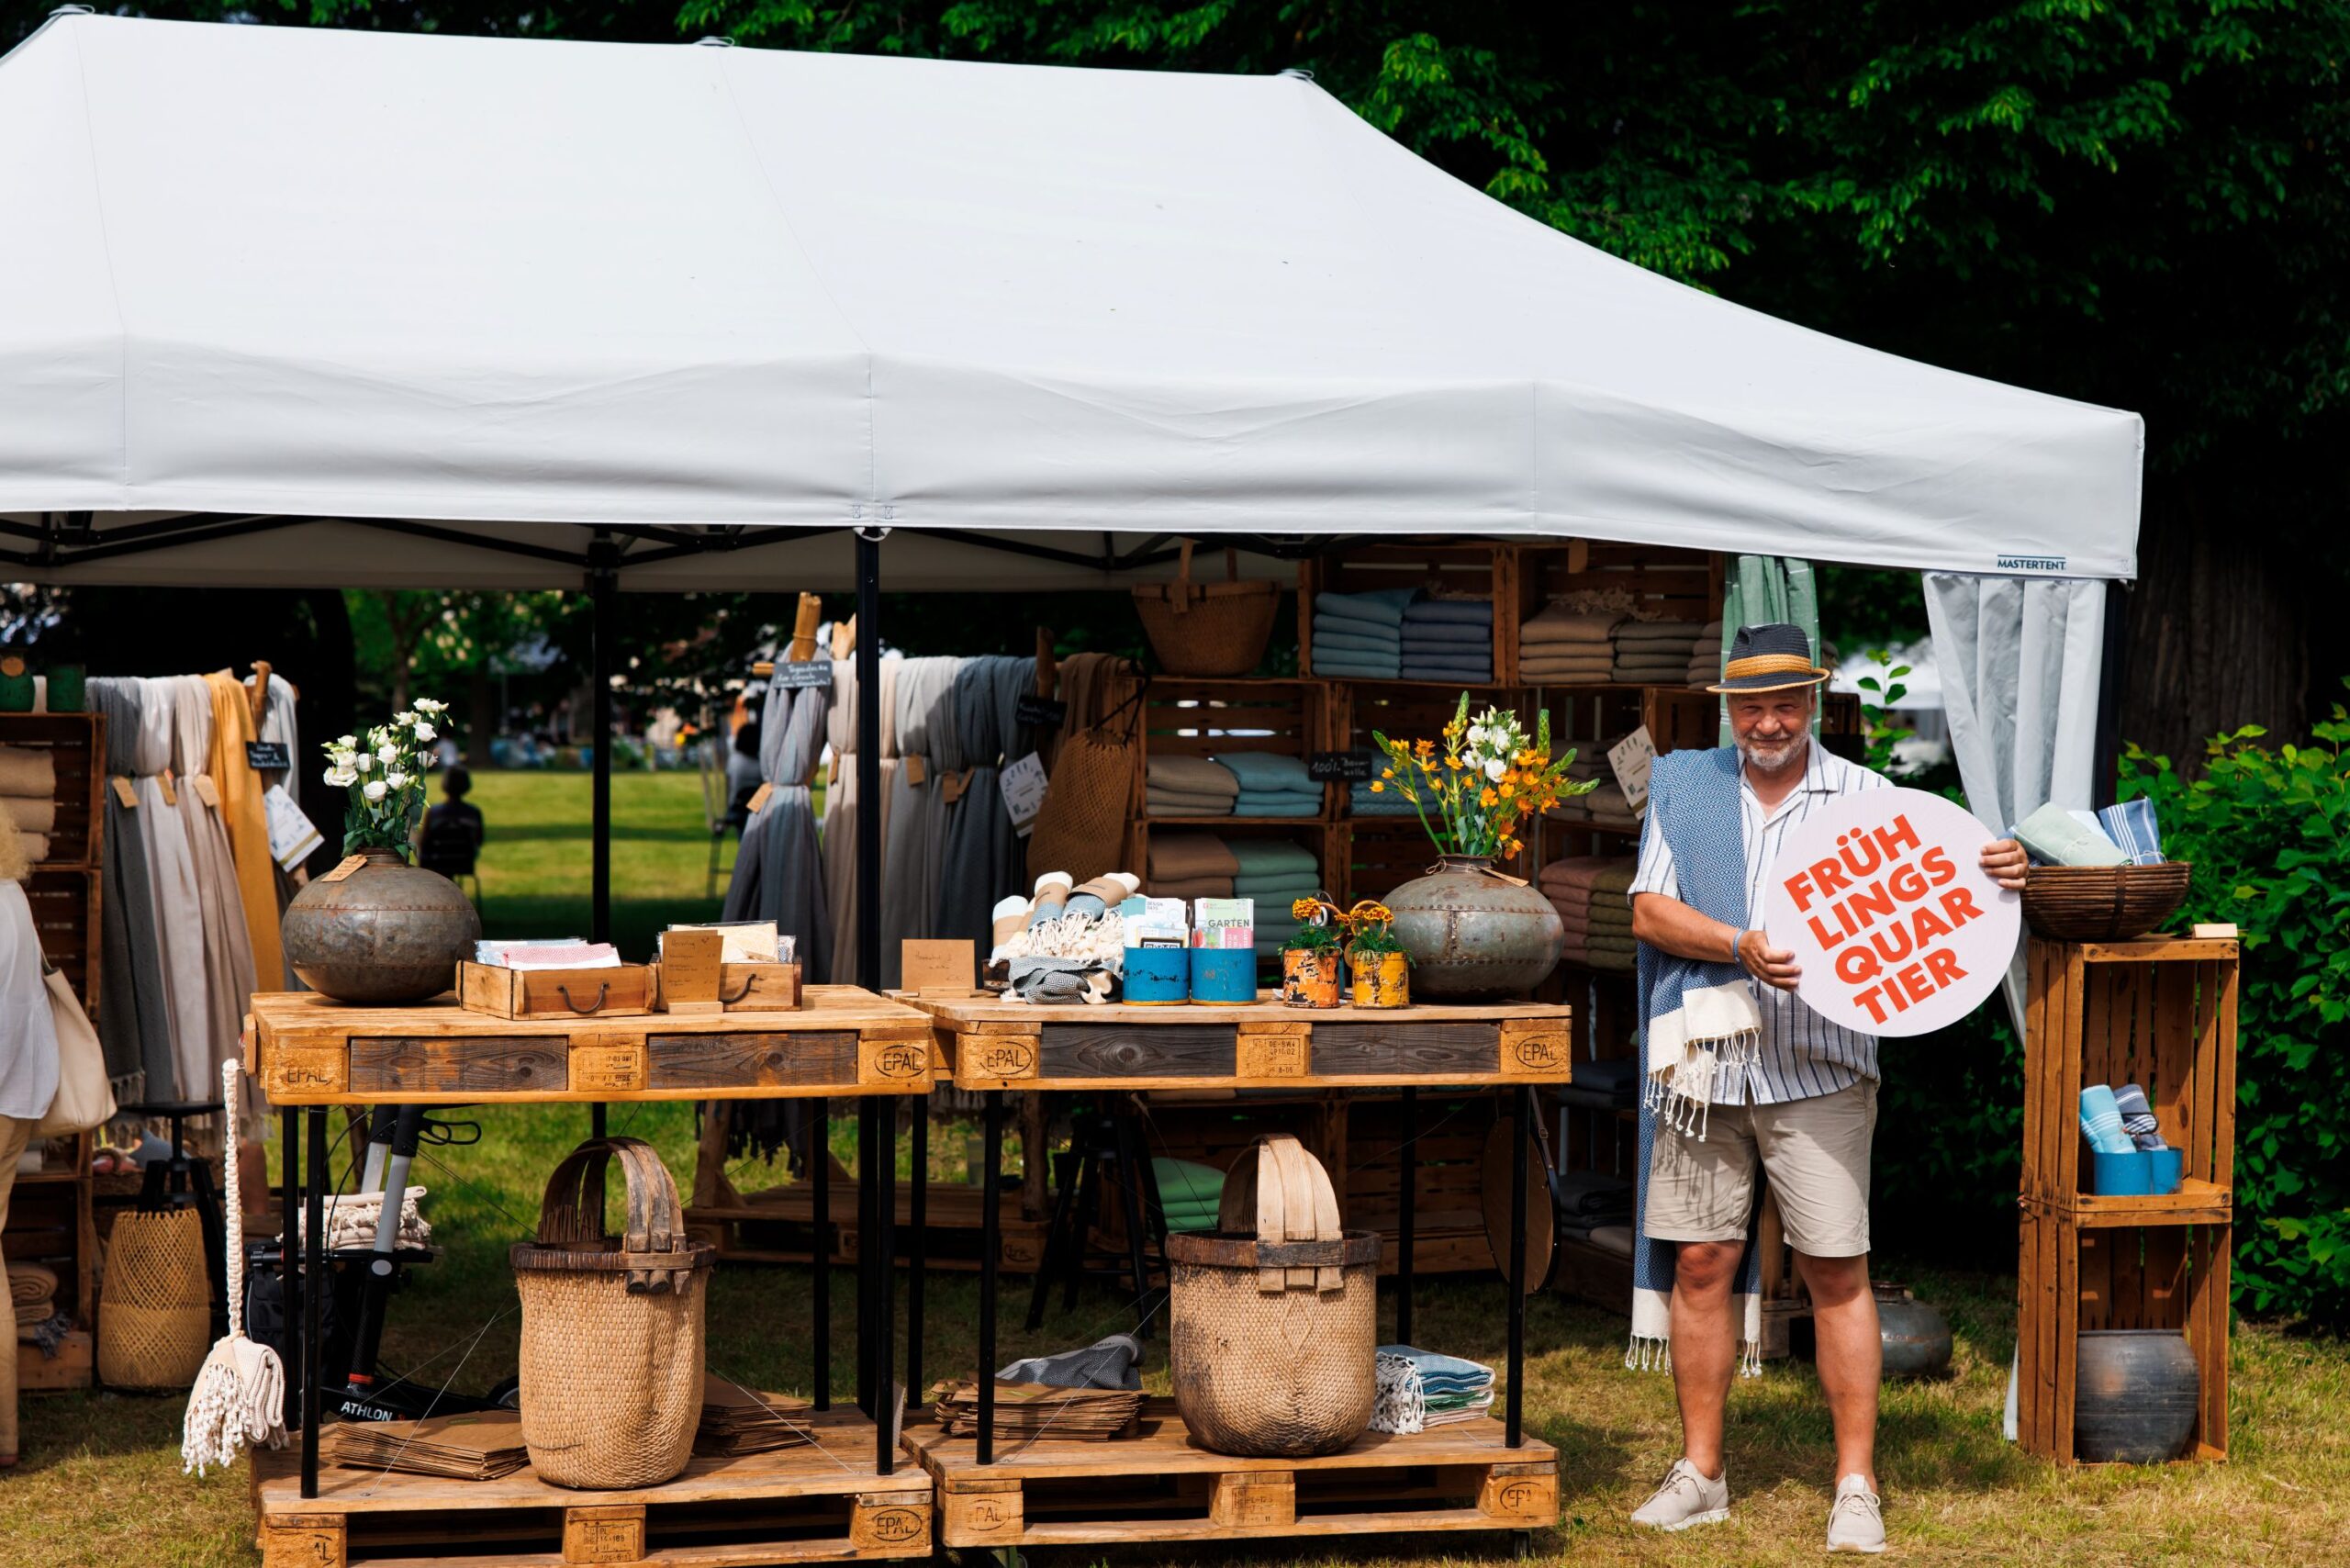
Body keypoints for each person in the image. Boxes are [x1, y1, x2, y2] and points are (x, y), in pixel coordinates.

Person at [1622, 622, 2028, 1554]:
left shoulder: (1870, 798)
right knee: (1701, 1263)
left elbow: (1946, 887)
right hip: (1706, 1063)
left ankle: (1854, 1485)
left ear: (1813, 700)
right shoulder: (1687, 787)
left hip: (1821, 1071)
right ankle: (1701, 1473)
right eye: (1751, 706)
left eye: (1785, 703)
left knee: (1836, 1269)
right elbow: (1647, 910)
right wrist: (1736, 943)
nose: (1768, 722)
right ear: (1729, 708)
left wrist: (2004, 868)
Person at [418, 765, 486, 882]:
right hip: (464, 863)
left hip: (437, 861)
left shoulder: (434, 813)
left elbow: (425, 842)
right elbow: (479, 841)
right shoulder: (473, 813)